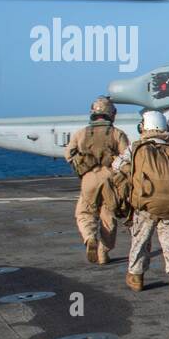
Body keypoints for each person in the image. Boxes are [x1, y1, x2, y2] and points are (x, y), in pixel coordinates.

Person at [111, 110, 169, 298]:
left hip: (145, 205)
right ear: (165, 128)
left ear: (142, 128)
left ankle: (136, 277)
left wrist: (132, 172)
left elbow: (116, 166)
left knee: (140, 240)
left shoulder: (137, 148)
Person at [66, 95, 129, 265]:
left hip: (89, 178)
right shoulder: (117, 133)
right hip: (110, 179)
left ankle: (89, 237)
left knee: (84, 213)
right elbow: (126, 158)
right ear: (112, 113)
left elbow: (69, 154)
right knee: (109, 217)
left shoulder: (81, 133)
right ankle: (103, 253)